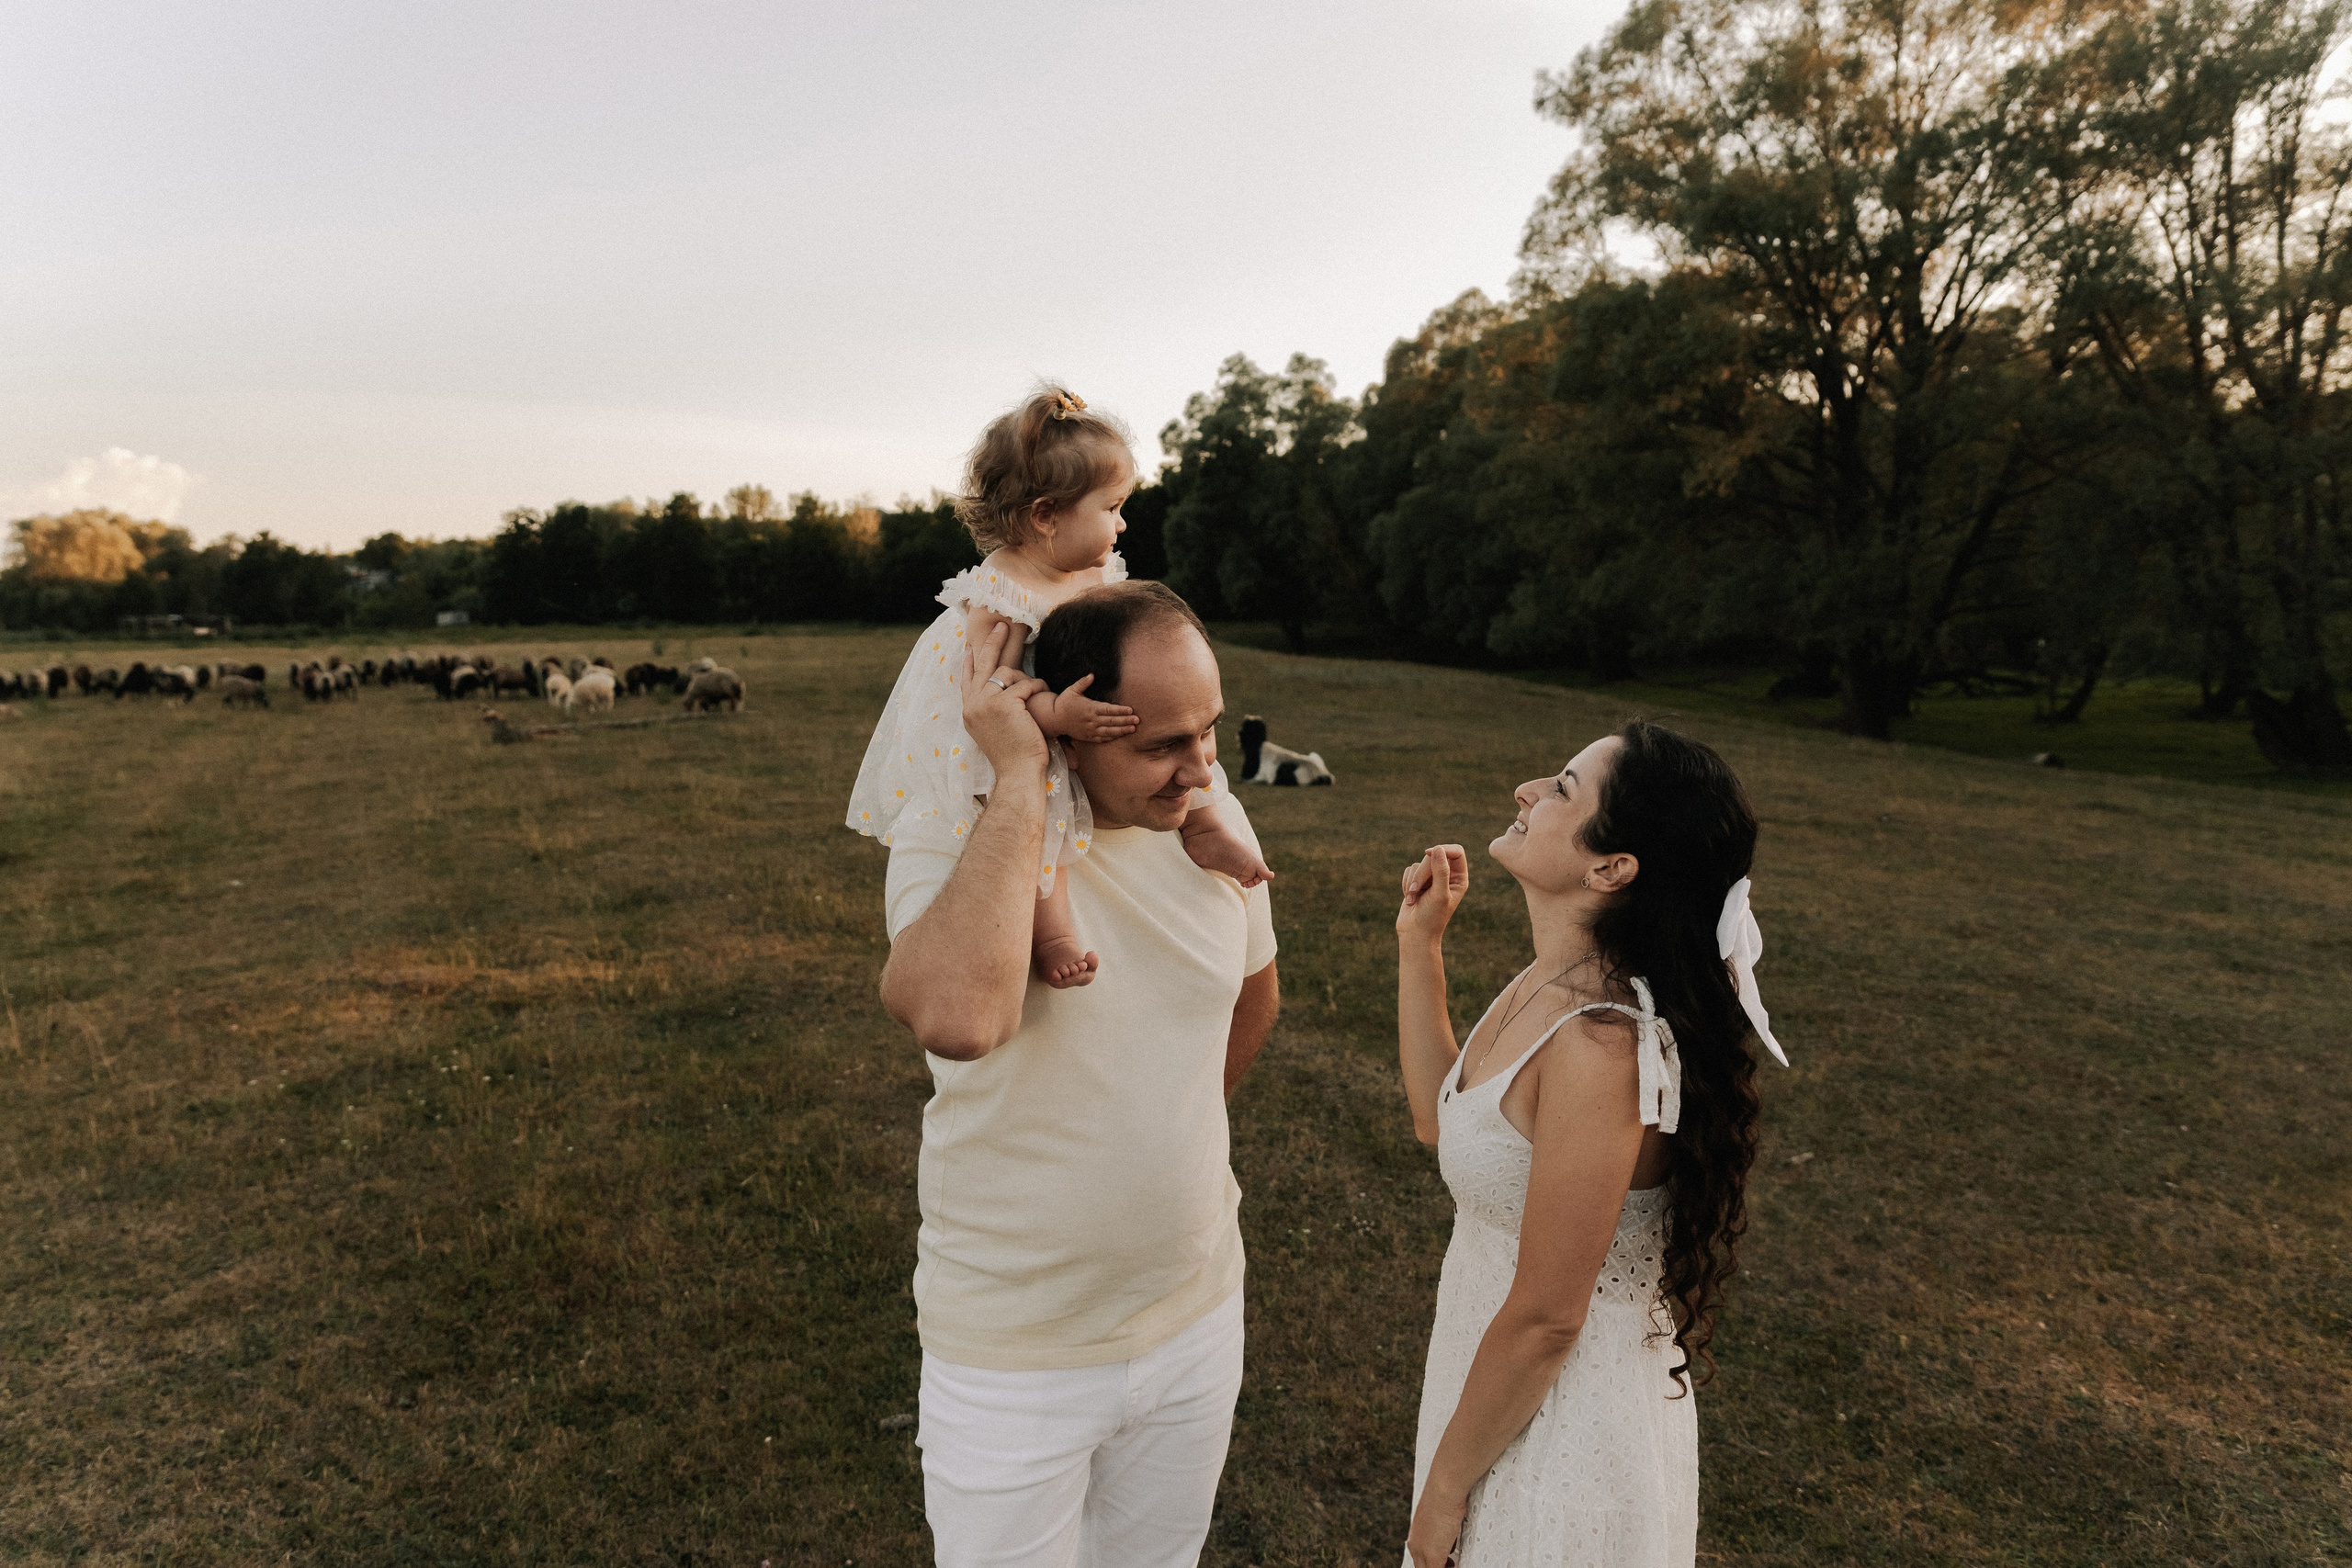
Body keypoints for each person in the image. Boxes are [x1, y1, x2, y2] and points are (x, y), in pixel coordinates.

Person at [877, 580, 1282, 1567]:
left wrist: (1156, 1137)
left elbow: (1253, 998)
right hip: (1016, 1351)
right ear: (1070, 725)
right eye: (1157, 745)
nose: (1198, 772)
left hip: (1194, 1313)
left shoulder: (1210, 819)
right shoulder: (960, 828)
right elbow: (962, 1020)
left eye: (1208, 733)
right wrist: (1021, 782)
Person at [1392, 720, 1789, 1568]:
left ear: (1611, 868)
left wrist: (1445, 1492)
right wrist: (1419, 946)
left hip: (1563, 1430)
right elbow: (1443, 1120)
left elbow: (1546, 1316)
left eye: (1563, 788)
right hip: (1495, 1392)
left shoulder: (1602, 1044)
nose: (1527, 792)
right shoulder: (1551, 980)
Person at [846, 385, 1272, 988]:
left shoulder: (1094, 571)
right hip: (1021, 734)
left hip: (1079, 717)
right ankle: (1053, 933)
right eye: (1111, 508)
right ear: (1046, 516)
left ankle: (1204, 829)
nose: (1122, 523)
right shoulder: (1000, 601)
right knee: (1043, 807)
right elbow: (999, 692)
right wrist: (1058, 714)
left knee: (1188, 747)